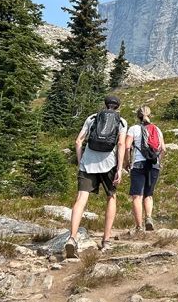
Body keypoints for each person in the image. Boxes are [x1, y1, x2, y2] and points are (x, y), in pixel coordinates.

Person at [65, 95, 127, 258]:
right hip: (109, 164)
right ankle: (106, 241)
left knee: (81, 199)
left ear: (105, 105)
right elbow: (121, 144)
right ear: (118, 107)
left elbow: (78, 141)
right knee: (111, 197)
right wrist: (120, 168)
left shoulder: (92, 118)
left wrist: (80, 162)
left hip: (88, 163)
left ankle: (72, 238)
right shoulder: (121, 121)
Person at [125, 105, 164, 232]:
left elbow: (127, 147)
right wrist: (159, 162)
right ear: (150, 115)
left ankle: (139, 226)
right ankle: (148, 218)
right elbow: (163, 149)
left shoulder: (134, 129)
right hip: (154, 164)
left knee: (137, 195)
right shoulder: (157, 129)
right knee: (149, 194)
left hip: (138, 164)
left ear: (138, 116)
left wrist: (127, 162)